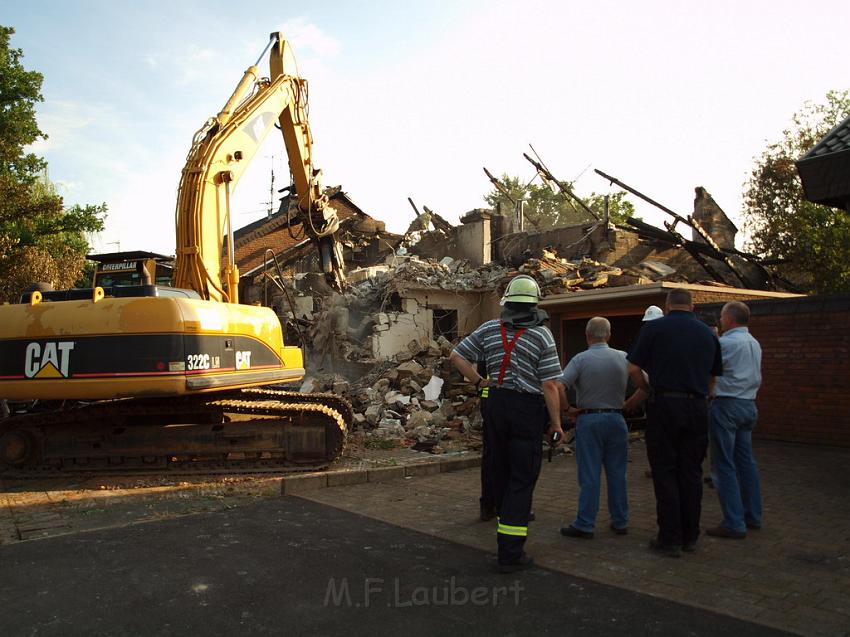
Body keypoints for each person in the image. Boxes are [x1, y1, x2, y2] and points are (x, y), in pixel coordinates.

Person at [450, 275, 564, 573]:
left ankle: (502, 513)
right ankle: (511, 552)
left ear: (508, 304)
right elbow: (550, 385)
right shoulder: (542, 335)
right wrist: (556, 423)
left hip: (495, 404)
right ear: (535, 305)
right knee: (523, 476)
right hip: (526, 408)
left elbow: (456, 355)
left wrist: (478, 381)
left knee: (499, 466)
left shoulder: (489, 328)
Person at [627, 288, 722, 557]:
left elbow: (633, 368)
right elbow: (714, 376)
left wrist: (646, 388)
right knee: (691, 471)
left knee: (665, 470)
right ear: (692, 306)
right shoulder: (708, 334)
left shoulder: (655, 329)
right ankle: (690, 536)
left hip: (665, 405)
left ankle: (669, 538)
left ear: (667, 306)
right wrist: (702, 396)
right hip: (697, 406)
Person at [558, 317, 633, 539]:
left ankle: (585, 523)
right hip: (616, 419)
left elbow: (559, 386)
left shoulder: (580, 359)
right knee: (618, 473)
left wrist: (567, 409)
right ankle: (620, 520)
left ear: (587, 335)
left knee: (590, 474)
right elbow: (644, 384)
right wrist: (629, 404)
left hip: (589, 419)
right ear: (608, 335)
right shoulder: (624, 357)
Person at [706, 301, 763, 539]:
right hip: (748, 405)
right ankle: (753, 514)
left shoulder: (726, 343)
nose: (720, 320)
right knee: (746, 462)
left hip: (727, 404)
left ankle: (733, 522)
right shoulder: (754, 343)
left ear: (729, 319)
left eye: (721, 317)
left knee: (723, 465)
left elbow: (709, 369)